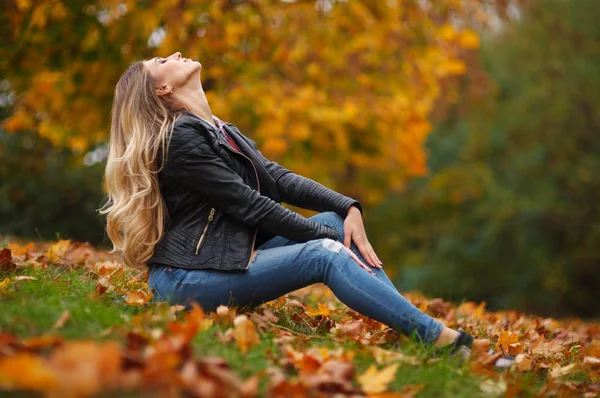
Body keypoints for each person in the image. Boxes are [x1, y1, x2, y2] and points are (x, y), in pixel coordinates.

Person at [99, 51, 475, 360]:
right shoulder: (180, 139)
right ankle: (438, 339)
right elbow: (251, 205)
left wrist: (348, 207)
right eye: (162, 61)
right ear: (162, 88)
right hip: (183, 280)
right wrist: (328, 239)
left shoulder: (218, 129)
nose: (174, 54)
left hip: (219, 259)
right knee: (327, 253)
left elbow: (276, 179)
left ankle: (418, 329)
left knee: (334, 223)